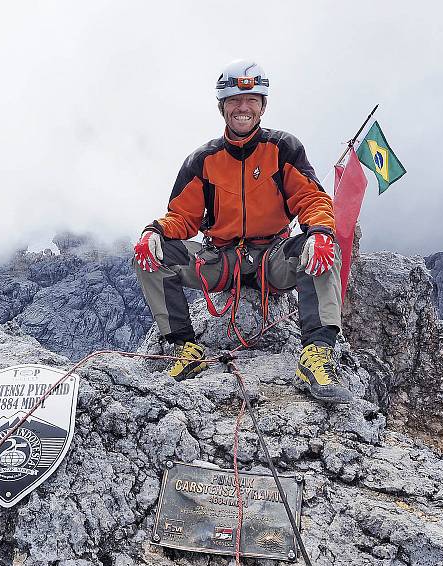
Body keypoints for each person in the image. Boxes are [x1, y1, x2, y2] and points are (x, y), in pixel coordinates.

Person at [133, 59, 352, 403]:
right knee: (152, 256)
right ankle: (183, 347)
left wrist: (320, 232)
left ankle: (316, 356)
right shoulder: (202, 161)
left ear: (263, 106)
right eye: (234, 100)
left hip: (273, 261)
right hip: (222, 260)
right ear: (222, 107)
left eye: (252, 100)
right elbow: (183, 217)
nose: (243, 107)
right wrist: (154, 231)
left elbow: (312, 199)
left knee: (322, 249)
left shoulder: (283, 149)